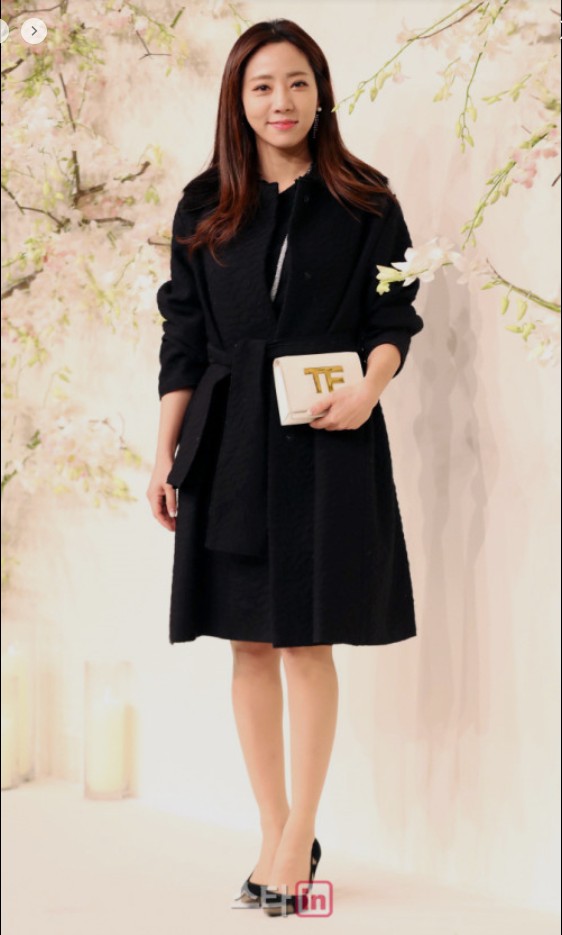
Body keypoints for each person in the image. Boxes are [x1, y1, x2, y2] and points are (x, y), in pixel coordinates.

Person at [147, 18, 424, 916]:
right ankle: (276, 828)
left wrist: (370, 390)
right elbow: (184, 335)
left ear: (321, 91)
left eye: (297, 82)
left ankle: (300, 829)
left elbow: (393, 318)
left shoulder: (365, 199)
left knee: (308, 639)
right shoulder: (204, 204)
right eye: (262, 85)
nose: (281, 101)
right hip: (228, 442)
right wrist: (165, 452)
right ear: (238, 99)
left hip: (328, 436)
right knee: (249, 640)